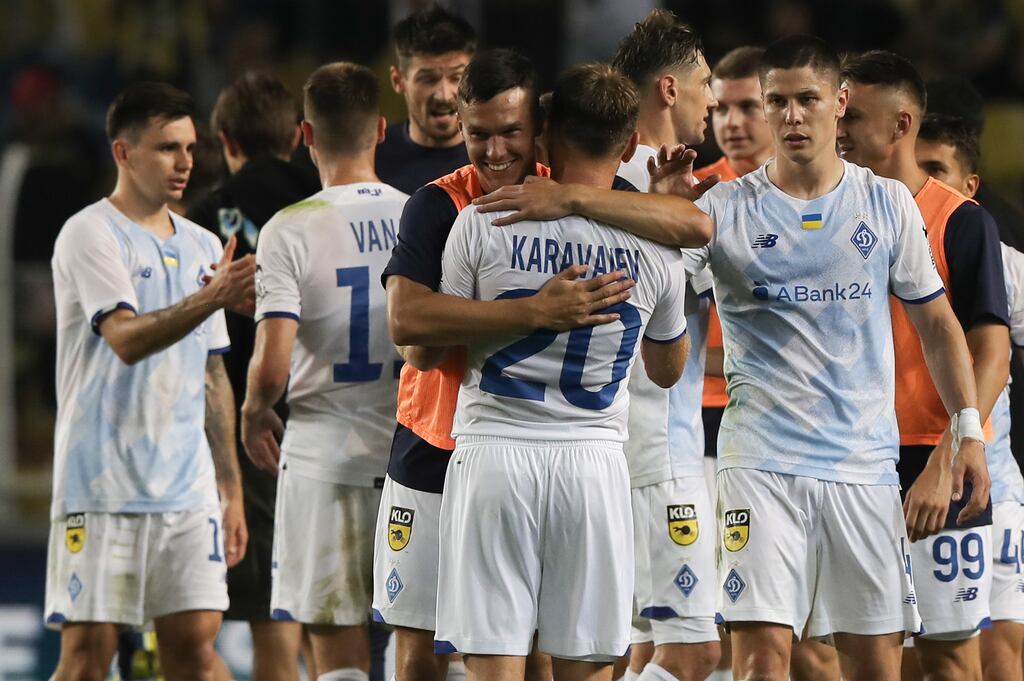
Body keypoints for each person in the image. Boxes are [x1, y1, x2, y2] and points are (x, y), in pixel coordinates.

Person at [373, 48, 711, 681]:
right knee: (573, 662)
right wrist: (536, 309)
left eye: (511, 133)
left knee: (493, 663)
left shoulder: (478, 224)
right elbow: (668, 362)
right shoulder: (648, 239)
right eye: (479, 135)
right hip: (551, 458)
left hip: (493, 453)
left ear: (543, 130)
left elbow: (421, 345)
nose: (496, 150)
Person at [681, 36, 990, 681]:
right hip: (759, 463)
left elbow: (938, 326)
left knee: (877, 666)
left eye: (808, 100)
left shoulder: (885, 204)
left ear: (838, 102)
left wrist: (968, 435)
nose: (792, 116)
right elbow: (660, 294)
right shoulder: (722, 209)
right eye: (779, 102)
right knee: (763, 661)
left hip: (863, 468)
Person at [44, 82, 256, 680]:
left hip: (186, 493)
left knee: (195, 653)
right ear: (123, 152)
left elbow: (213, 374)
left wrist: (231, 489)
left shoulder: (202, 243)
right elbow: (126, 339)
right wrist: (211, 296)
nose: (186, 162)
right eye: (167, 148)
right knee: (87, 660)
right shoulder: (90, 234)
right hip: (100, 488)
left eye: (190, 148)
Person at [838, 51, 1009, 681]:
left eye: (852, 115)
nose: (838, 126)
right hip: (847, 462)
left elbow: (990, 351)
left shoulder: (961, 222)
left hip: (933, 456)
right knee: (859, 658)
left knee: (948, 662)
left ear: (902, 124)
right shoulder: (829, 211)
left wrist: (950, 454)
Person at [240, 61, 404, 681]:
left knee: (337, 659)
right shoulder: (424, 216)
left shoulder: (290, 229)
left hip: (323, 462)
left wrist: (255, 410)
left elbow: (272, 363)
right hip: (412, 462)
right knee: (423, 648)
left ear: (305, 135)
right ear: (382, 130)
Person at [186, 70, 319, 681]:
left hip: (248, 434)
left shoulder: (202, 220)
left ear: (223, 139)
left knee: (269, 626)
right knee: (325, 624)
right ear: (297, 136)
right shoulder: (328, 201)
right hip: (333, 422)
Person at [610, 11, 721, 681]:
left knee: (638, 644)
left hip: (611, 441)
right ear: (671, 90)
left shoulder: (597, 177)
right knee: (694, 647)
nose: (712, 98)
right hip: (661, 446)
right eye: (705, 81)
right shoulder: (674, 190)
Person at [915, 112, 1024, 681]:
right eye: (919, 168)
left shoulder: (1007, 267)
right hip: (902, 477)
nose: (925, 183)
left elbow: (1001, 358)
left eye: (938, 170)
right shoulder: (884, 252)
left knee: (997, 656)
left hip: (992, 488)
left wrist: (963, 442)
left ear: (970, 184)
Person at [376, 3, 474, 194]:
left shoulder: (495, 159)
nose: (444, 95)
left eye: (456, 77)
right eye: (428, 79)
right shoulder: (371, 159)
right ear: (398, 80)